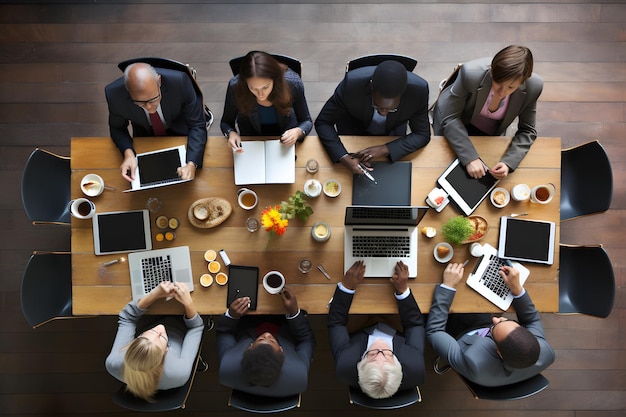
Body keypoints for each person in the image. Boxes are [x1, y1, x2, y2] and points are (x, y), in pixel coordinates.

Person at [426, 262, 556, 387]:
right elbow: (532, 321)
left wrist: (448, 286)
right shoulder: (545, 352)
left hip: (460, 335)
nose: (495, 319)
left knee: (424, 308)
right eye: (506, 321)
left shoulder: (474, 361)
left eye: (494, 328)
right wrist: (517, 289)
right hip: (481, 329)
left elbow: (435, 331)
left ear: (498, 352)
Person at [432, 45, 543, 179]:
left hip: (490, 133)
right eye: (498, 82)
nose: (502, 92)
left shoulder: (534, 87)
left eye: (510, 87)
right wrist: (470, 157)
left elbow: (528, 130)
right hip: (455, 123)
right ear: (491, 72)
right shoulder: (470, 73)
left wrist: (508, 162)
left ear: (523, 81)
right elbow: (450, 117)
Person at [327, 260, 426, 399]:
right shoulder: (414, 363)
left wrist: (347, 287)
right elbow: (414, 325)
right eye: (387, 356)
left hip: (361, 326)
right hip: (395, 325)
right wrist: (403, 290)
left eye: (372, 356)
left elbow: (336, 323)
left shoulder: (345, 362)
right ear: (399, 363)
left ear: (360, 364)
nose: (380, 347)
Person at [315, 60, 430, 175]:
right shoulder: (350, 84)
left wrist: (385, 149)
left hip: (392, 133)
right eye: (378, 107)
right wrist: (343, 157)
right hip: (354, 129)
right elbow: (323, 122)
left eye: (391, 109)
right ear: (371, 86)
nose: (383, 113)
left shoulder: (419, 91)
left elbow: (422, 134)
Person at [105, 62, 207, 182]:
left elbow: (197, 125)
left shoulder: (180, 82)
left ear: (159, 81)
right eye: (141, 103)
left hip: (180, 130)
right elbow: (117, 128)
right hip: (145, 136)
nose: (149, 107)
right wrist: (128, 153)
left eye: (153, 99)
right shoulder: (114, 95)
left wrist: (191, 163)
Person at [105, 282, 205, 401]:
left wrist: (154, 294)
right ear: (165, 352)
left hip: (149, 314)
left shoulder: (113, 363)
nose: (160, 327)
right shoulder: (179, 372)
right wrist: (188, 303)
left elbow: (127, 317)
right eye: (162, 338)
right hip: (181, 324)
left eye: (149, 334)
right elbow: (196, 327)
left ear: (135, 341)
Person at [216, 287, 315, 397]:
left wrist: (232, 315)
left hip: (246, 319)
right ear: (282, 351)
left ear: (250, 347)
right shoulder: (299, 371)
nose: (267, 334)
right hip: (285, 324)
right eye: (272, 341)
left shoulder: (228, 364)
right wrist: (294, 312)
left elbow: (224, 333)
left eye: (262, 339)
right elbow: (306, 340)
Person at [220, 51, 313, 152]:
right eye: (253, 88)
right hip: (251, 136)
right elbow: (226, 122)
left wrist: (298, 132)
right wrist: (231, 133)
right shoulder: (235, 87)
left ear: (275, 80)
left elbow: (306, 121)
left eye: (265, 87)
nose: (260, 94)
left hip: (286, 133)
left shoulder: (293, 84)